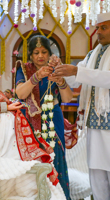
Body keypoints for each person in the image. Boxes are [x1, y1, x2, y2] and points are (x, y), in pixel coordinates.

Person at [0, 65, 66, 199]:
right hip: (0, 128)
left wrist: (11, 105)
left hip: (8, 124)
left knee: (16, 147)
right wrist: (8, 107)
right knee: (6, 150)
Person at [51, 12, 110, 200]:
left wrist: (77, 70)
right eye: (97, 27)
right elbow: (76, 79)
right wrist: (59, 68)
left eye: (103, 28)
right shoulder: (93, 54)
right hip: (94, 123)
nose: (98, 32)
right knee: (96, 172)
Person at [15, 35, 73, 199]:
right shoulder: (24, 70)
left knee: (56, 157)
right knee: (34, 161)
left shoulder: (56, 69)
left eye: (44, 52)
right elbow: (20, 93)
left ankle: (59, 196)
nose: (40, 56)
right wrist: (36, 77)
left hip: (53, 119)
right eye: (36, 52)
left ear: (49, 54)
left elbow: (67, 98)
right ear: (31, 56)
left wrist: (60, 81)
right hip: (31, 121)